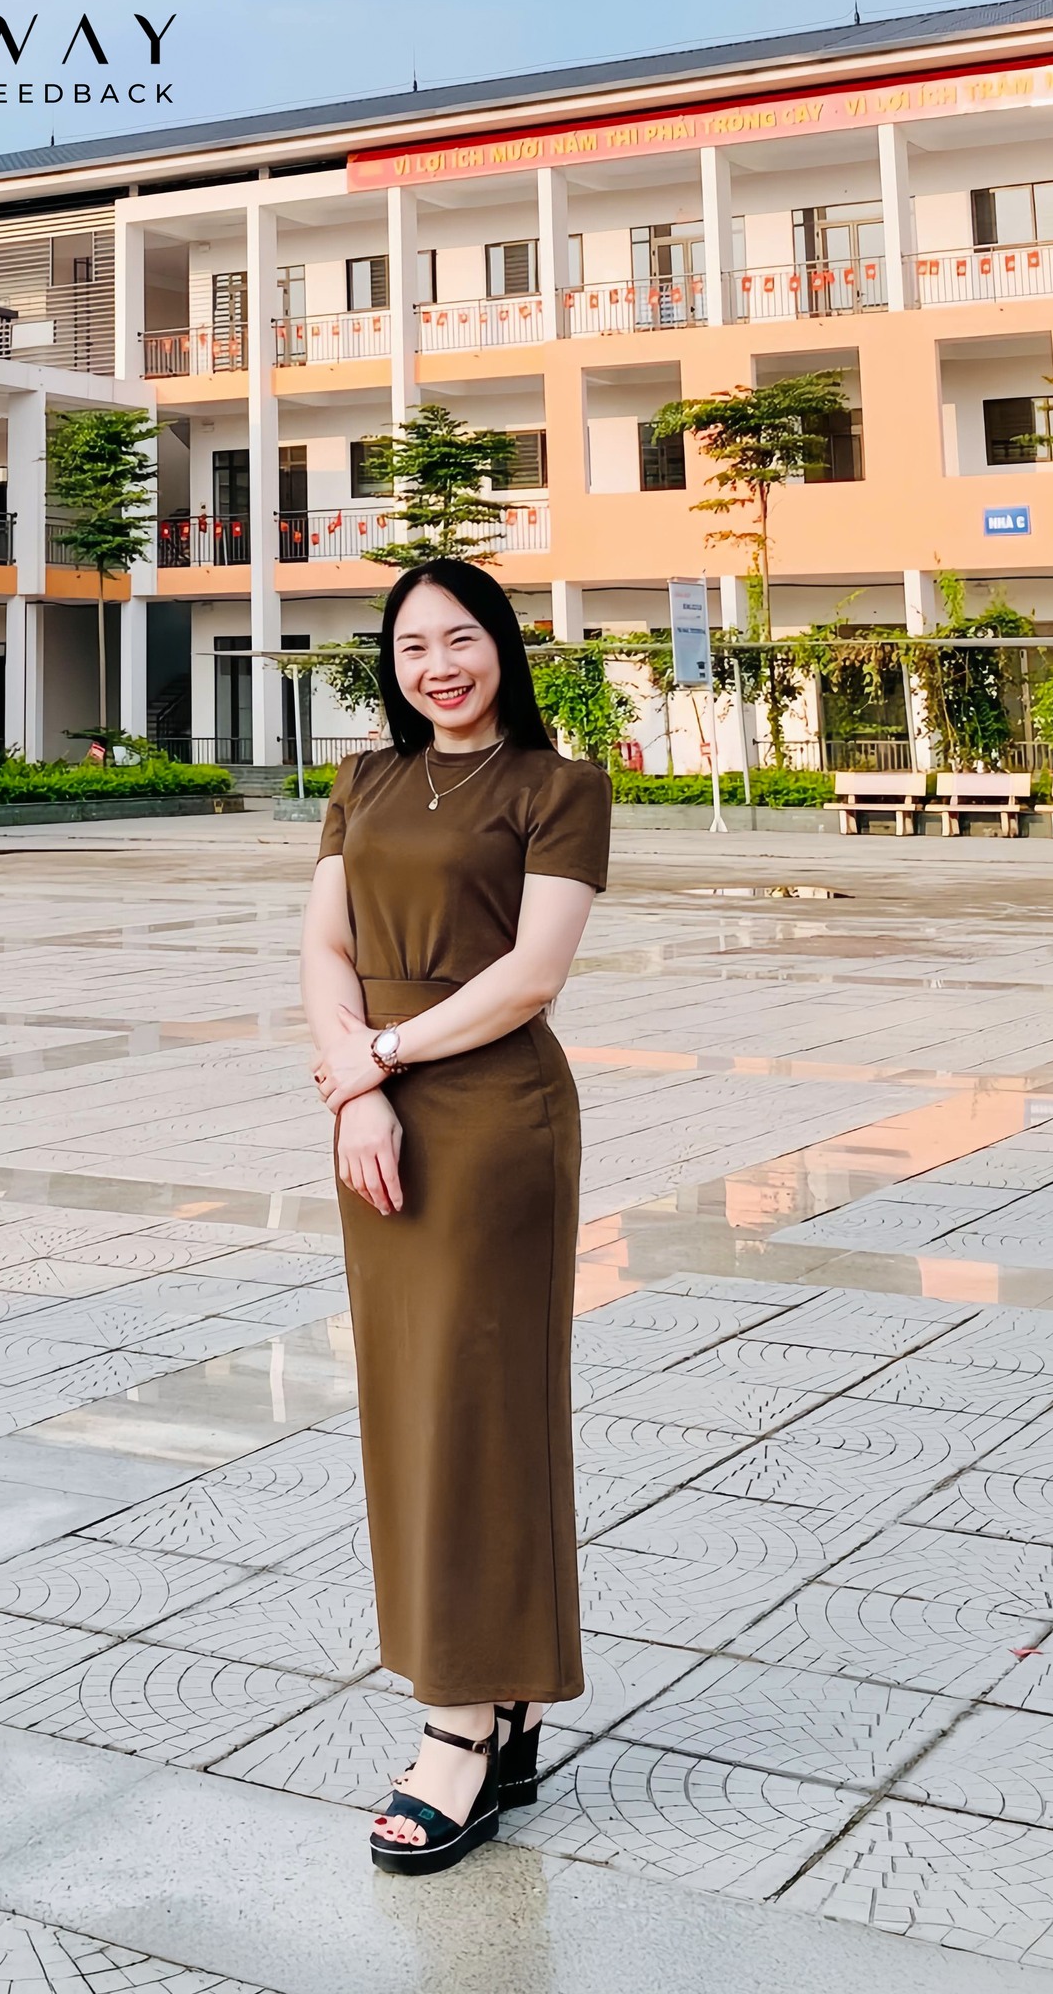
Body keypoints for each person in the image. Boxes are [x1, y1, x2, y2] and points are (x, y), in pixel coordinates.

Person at [301, 558, 611, 1877]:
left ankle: (459, 1727)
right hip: (378, 1121)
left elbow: (531, 976)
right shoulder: (363, 780)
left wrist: (380, 1057)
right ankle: (512, 1695)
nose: (439, 664)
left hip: (493, 1125)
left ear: (503, 647)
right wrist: (357, 1091)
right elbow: (323, 948)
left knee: (479, 1412)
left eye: (462, 637)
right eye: (414, 644)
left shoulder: (558, 787)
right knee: (408, 1405)